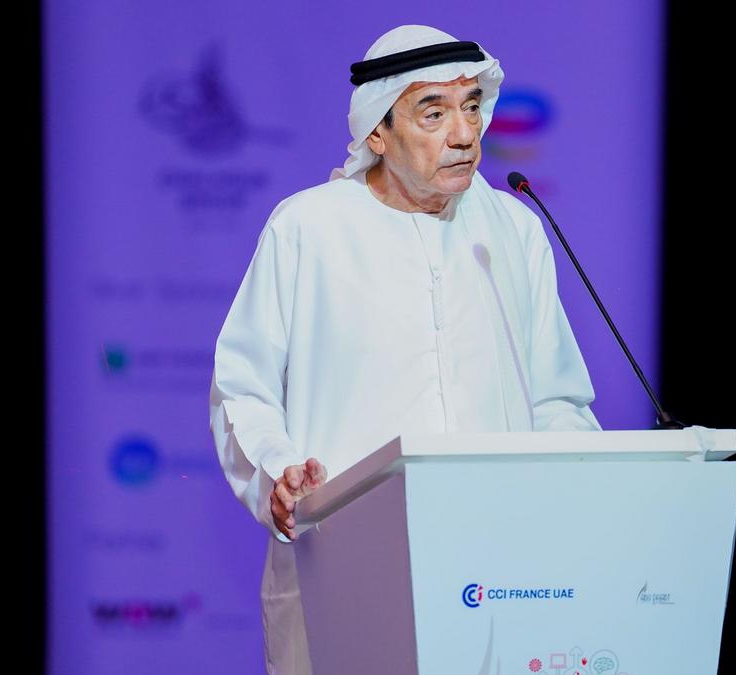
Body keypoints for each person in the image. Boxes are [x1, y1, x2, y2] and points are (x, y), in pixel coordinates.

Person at [208, 24, 602, 674]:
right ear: (377, 132)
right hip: (344, 571)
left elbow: (556, 399)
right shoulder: (309, 228)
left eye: (472, 106)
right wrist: (280, 473)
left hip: (500, 573)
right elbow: (242, 387)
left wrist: (587, 497)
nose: (465, 133)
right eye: (434, 113)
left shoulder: (514, 230)